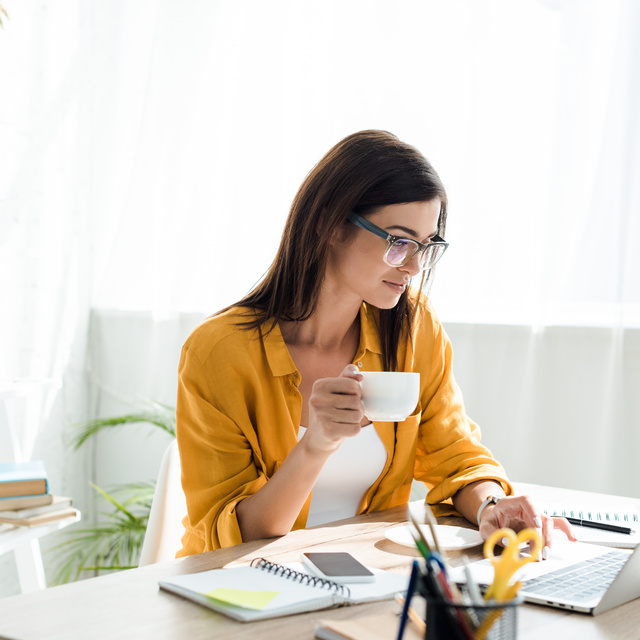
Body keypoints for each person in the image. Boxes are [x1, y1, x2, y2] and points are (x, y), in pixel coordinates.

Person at [175, 129, 575, 558]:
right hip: (245, 591)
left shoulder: (413, 327)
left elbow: (455, 455)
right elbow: (236, 537)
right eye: (399, 242)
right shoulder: (219, 353)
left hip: (368, 581)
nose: (416, 266)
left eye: (426, 246)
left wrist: (492, 505)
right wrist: (316, 445)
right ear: (330, 223)